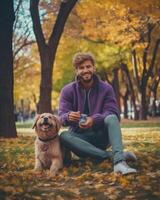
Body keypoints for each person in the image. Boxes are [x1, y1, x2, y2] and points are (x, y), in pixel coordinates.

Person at [58, 52, 137, 175]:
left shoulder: (106, 88)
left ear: (94, 68)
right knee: (64, 136)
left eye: (88, 67)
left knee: (111, 117)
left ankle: (119, 164)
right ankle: (114, 155)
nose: (85, 70)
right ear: (76, 71)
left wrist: (94, 120)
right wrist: (68, 116)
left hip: (102, 136)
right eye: (81, 68)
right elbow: (61, 117)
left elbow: (113, 112)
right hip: (80, 141)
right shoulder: (67, 90)